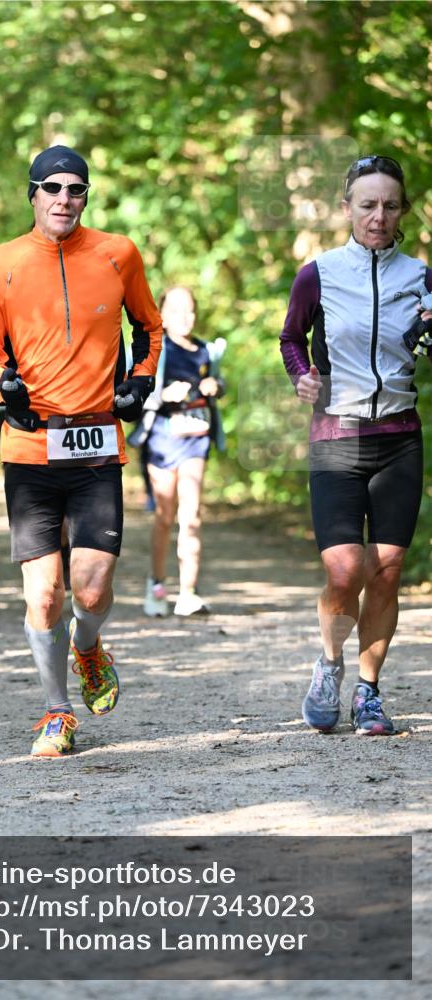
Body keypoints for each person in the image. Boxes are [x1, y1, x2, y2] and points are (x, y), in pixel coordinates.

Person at [0, 145, 162, 757]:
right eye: (51, 188)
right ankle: (57, 713)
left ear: (86, 196)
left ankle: (88, 646)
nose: (64, 199)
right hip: (30, 447)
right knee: (43, 595)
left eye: (76, 189)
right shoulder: (0, 262)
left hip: (98, 445)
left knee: (91, 590)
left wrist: (140, 380)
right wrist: (0, 386)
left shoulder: (118, 253)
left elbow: (149, 329)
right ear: (31, 194)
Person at [280, 154, 432, 736]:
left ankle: (368, 692)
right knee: (345, 571)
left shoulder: (420, 276)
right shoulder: (317, 273)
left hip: (399, 439)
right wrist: (302, 376)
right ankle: (330, 664)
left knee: (388, 570)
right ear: (346, 208)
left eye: (389, 206)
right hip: (337, 436)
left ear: (402, 213)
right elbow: (292, 337)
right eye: (367, 204)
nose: (378, 216)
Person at [136, 287, 226, 617]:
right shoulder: (154, 348)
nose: (184, 317)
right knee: (164, 516)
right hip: (161, 440)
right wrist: (163, 395)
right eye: (175, 310)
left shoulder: (205, 350)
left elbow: (219, 382)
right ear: (161, 314)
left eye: (189, 310)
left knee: (191, 514)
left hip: (196, 439)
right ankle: (157, 584)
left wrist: (215, 386)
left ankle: (188, 591)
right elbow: (134, 393)